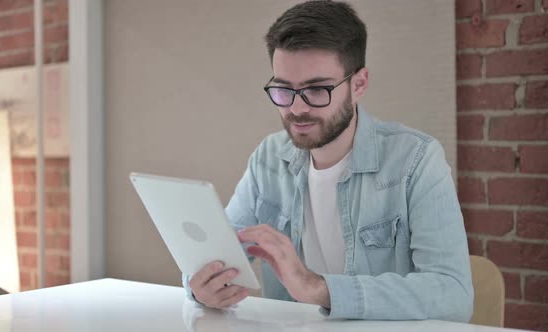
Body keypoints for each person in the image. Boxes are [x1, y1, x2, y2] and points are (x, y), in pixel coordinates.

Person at [183, 0, 473, 322]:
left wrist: (318, 288)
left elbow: (454, 295)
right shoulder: (268, 159)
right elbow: (218, 259)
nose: (296, 109)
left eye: (317, 90)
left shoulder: (416, 161)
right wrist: (201, 287)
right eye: (283, 90)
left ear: (359, 84)